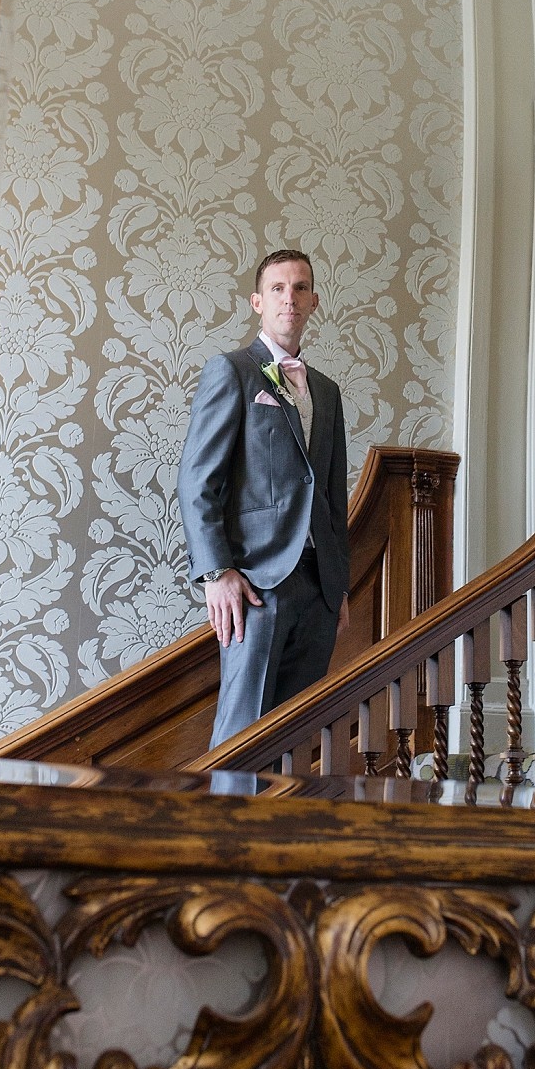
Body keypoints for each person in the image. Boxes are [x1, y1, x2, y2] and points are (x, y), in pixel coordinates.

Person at [177, 248, 350, 749]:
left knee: (296, 739)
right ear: (257, 301)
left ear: (314, 302)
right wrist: (216, 572)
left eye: (300, 288)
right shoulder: (231, 372)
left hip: (318, 588)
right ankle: (225, 830)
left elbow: (332, 494)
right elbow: (196, 480)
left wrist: (338, 585)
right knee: (243, 733)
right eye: (277, 288)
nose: (289, 298)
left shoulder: (327, 390)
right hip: (255, 584)